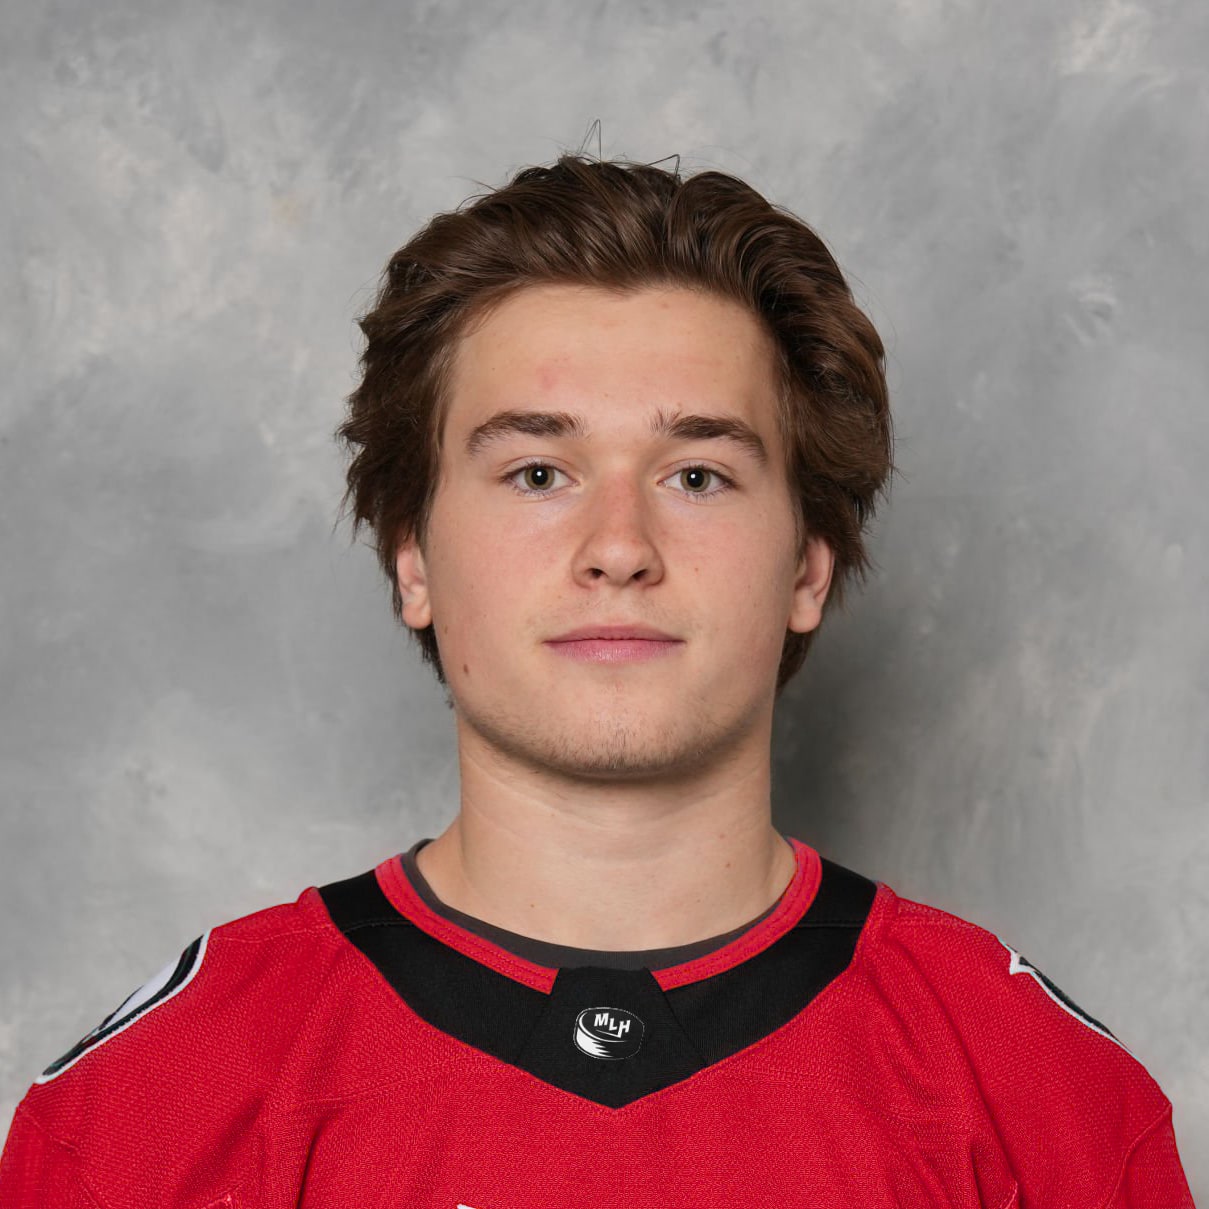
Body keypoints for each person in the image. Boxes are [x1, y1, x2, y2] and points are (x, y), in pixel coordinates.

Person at [0, 154, 1194, 1207]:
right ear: (414, 560)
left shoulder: (1043, 1104)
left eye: (697, 476)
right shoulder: (152, 1113)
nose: (618, 547)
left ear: (807, 567)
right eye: (537, 473)